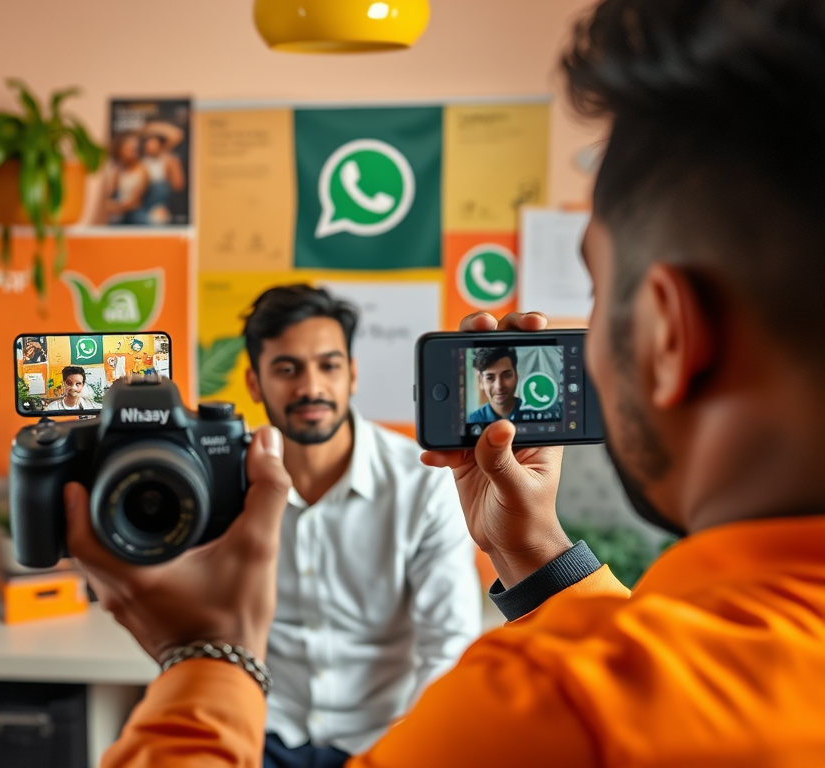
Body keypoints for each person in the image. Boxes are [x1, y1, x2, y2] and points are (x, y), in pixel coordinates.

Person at [65, 0, 825, 764]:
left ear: (666, 334)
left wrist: (205, 656)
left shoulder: (552, 704)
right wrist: (537, 554)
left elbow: (589, 695)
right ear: (258, 383)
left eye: (598, 295)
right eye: (288, 368)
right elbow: (663, 690)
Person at [238, 285, 480, 766]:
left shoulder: (424, 483)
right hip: (261, 728)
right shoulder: (225, 483)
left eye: (328, 365)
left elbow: (448, 644)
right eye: (287, 369)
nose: (311, 387)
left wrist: (411, 746)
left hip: (386, 736)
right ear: (254, 383)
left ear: (352, 374)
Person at [105, 122, 185, 226]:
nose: (149, 145)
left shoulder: (167, 160)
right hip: (136, 207)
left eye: (153, 141)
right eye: (147, 141)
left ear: (161, 144)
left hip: (154, 207)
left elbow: (178, 185)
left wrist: (152, 128)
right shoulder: (141, 161)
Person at [466, 346, 521, 423]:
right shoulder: (474, 420)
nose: (499, 386)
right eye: (490, 378)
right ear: (481, 382)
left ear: (516, 377)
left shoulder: (535, 412)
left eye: (507, 376)